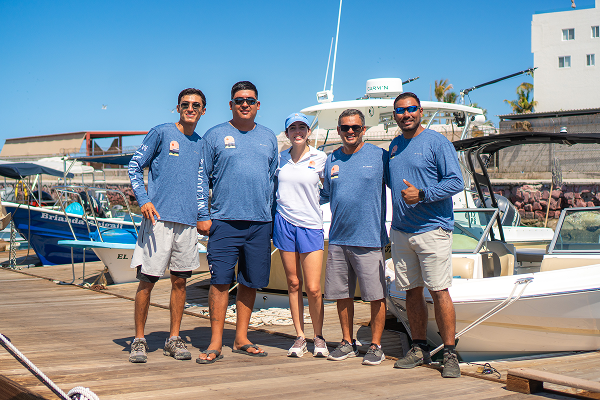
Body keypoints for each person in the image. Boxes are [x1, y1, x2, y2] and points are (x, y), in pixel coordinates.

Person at [196, 81, 278, 364]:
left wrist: (273, 219)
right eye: (239, 100)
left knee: (250, 281)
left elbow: (272, 182)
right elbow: (201, 178)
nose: (245, 104)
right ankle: (215, 342)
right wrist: (202, 214)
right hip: (223, 221)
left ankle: (241, 338)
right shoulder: (215, 135)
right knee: (220, 281)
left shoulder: (268, 137)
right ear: (231, 104)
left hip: (260, 223)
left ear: (258, 105)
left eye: (250, 100)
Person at [128, 88, 207, 363]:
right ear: (178, 108)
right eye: (185, 104)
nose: (190, 109)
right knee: (147, 281)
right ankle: (139, 340)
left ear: (203, 111)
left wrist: (203, 214)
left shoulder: (201, 144)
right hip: (157, 221)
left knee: (180, 282)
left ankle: (173, 339)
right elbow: (134, 166)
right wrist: (144, 200)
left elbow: (201, 185)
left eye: (195, 105)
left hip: (188, 224)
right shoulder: (161, 133)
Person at [388, 92, 463, 378]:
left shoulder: (437, 142)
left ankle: (450, 353)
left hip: (432, 229)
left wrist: (422, 194)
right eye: (400, 110)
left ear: (421, 111)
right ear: (394, 116)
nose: (406, 114)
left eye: (411, 109)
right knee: (411, 291)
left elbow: (456, 182)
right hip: (401, 231)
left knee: (439, 290)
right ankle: (419, 348)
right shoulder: (394, 146)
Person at [321, 109, 389, 366]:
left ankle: (376, 345)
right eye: (345, 127)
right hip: (338, 238)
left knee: (376, 295)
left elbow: (399, 186)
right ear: (338, 130)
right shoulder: (332, 159)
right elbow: (324, 194)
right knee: (342, 294)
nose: (350, 131)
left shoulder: (379, 156)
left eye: (356, 127)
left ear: (364, 130)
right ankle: (347, 342)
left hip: (370, 239)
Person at [273, 112, 328, 357]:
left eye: (302, 127)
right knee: (294, 283)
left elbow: (329, 189)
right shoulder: (280, 158)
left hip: (311, 226)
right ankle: (299, 337)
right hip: (284, 224)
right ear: (287, 133)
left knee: (314, 288)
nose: (298, 132)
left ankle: (319, 337)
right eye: (293, 128)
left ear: (309, 132)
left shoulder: (321, 158)